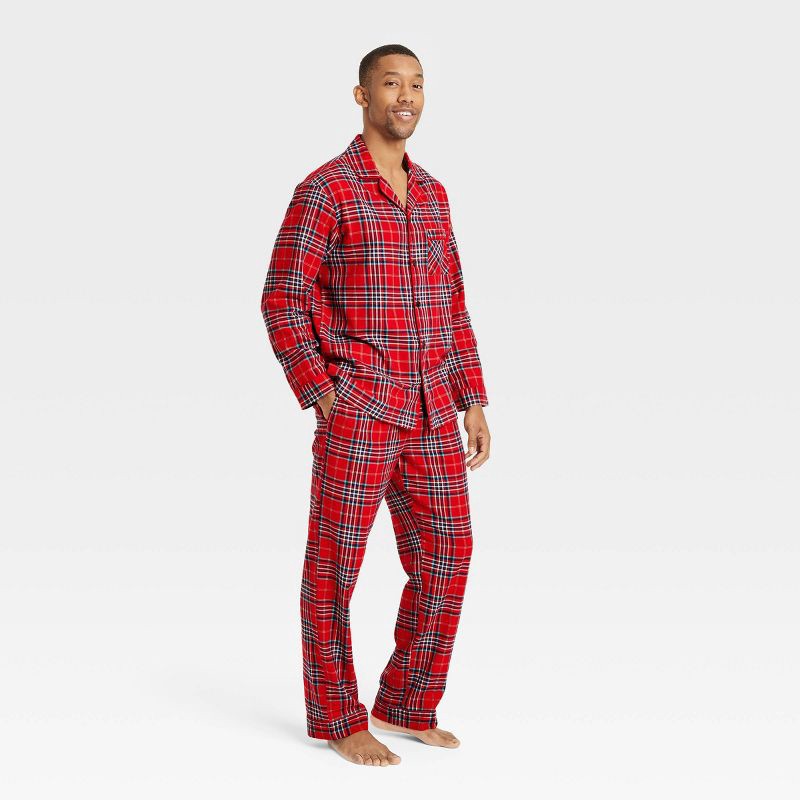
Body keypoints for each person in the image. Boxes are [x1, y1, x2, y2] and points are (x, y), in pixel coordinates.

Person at [260, 43, 491, 766]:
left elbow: (452, 302)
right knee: (334, 568)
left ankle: (406, 703)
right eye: (392, 83)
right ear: (362, 96)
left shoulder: (434, 195)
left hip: (431, 408)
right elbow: (282, 297)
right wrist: (324, 393)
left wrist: (473, 398)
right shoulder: (326, 189)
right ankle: (338, 717)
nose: (407, 96)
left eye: (417, 84)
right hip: (359, 409)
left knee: (449, 553)